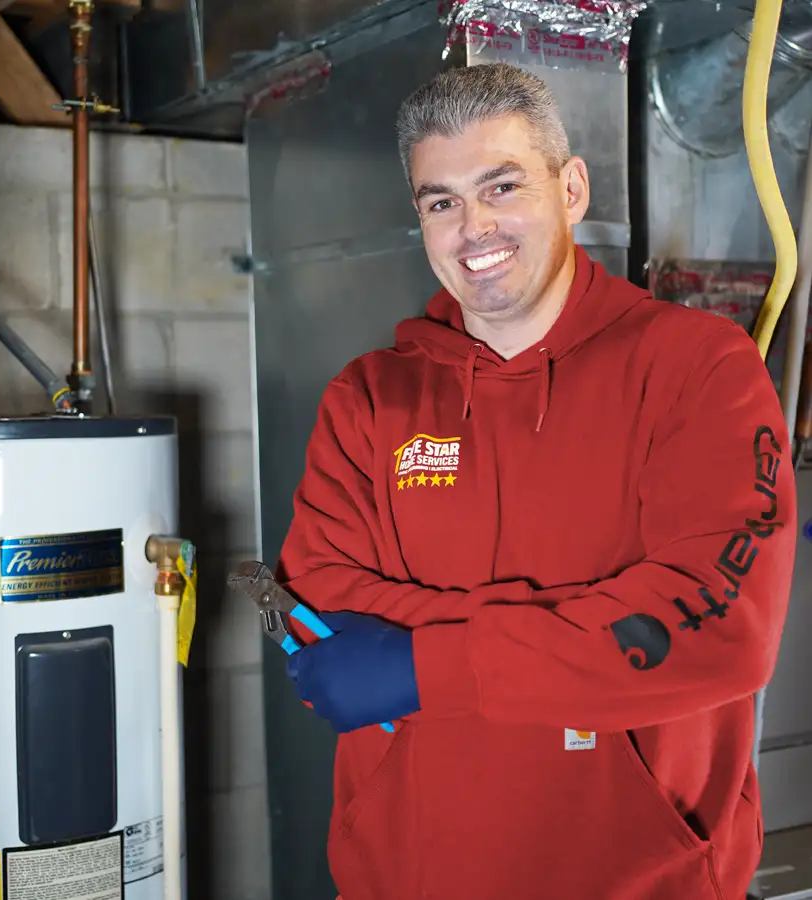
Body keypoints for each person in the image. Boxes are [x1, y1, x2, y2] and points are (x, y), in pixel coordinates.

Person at [276, 62, 798, 900]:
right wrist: (584, 625)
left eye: (502, 186)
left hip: (640, 876)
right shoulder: (370, 396)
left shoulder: (698, 369)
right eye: (440, 201)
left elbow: (715, 622)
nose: (473, 226)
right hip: (408, 873)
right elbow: (321, 607)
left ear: (572, 190)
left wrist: (423, 666)